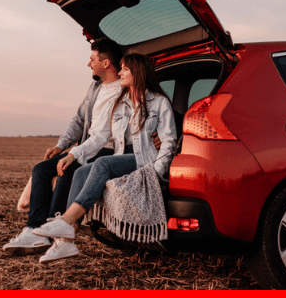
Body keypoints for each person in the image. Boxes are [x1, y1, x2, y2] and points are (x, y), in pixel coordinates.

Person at [31, 53, 177, 263]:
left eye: (125, 69)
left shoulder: (159, 102)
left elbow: (169, 141)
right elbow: (101, 137)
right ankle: (65, 243)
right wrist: (73, 154)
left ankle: (67, 219)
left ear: (137, 72)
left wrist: (155, 173)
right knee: (80, 172)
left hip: (146, 160)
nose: (120, 73)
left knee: (102, 163)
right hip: (124, 156)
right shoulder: (121, 102)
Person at [2, 37, 125, 253]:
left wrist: (74, 154)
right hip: (87, 147)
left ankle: (53, 228)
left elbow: (102, 135)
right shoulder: (95, 88)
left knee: (66, 170)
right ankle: (34, 230)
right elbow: (78, 120)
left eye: (92, 59)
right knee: (41, 169)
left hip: (106, 150)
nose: (89, 64)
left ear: (106, 63)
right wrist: (62, 146)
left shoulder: (123, 91)